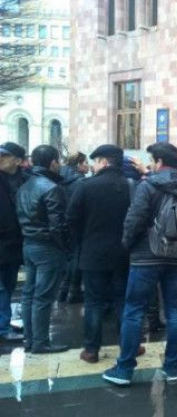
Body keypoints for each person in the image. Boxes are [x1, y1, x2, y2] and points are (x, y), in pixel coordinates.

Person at [103, 142, 177, 385]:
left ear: (158, 162)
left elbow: (134, 220)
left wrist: (127, 245)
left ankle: (124, 369)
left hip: (146, 256)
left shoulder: (147, 186)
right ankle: (172, 368)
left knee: (134, 310)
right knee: (176, 311)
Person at [66, 145, 132, 363]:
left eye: (95, 162)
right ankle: (128, 345)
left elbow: (71, 219)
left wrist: (81, 242)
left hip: (92, 253)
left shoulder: (86, 186)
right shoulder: (131, 186)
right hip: (123, 253)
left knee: (93, 302)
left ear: (103, 162)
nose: (93, 166)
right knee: (122, 300)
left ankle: (91, 349)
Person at [16, 145, 70, 353]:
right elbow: (58, 225)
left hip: (28, 243)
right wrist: (65, 247)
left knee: (29, 294)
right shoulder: (51, 188)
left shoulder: (25, 185)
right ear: (53, 163)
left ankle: (30, 339)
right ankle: (40, 342)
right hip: (48, 247)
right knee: (43, 296)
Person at [0, 142, 27, 343]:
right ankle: (2, 327)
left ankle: (4, 323)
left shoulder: (24, 180)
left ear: (17, 160)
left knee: (8, 286)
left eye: (5, 156)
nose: (0, 158)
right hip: (3, 241)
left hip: (13, 245)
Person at [58, 151, 89, 304]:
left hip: (61, 222)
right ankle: (73, 290)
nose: (88, 166)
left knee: (69, 256)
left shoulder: (59, 177)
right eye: (86, 163)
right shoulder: (81, 182)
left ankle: (63, 291)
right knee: (77, 257)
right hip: (77, 223)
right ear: (79, 164)